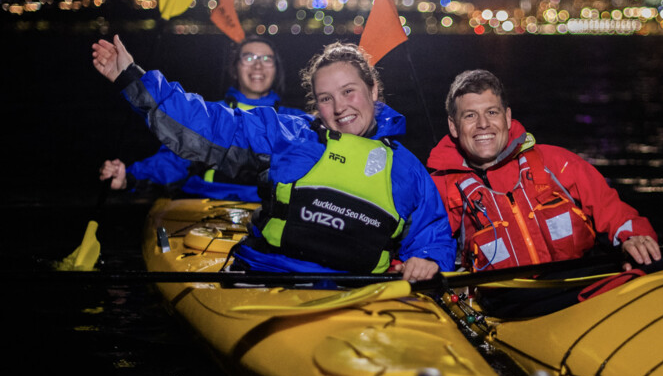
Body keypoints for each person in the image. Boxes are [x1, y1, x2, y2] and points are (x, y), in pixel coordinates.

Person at [92, 35, 454, 281]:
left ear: (373, 90)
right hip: (268, 274)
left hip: (355, 287)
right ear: (316, 105)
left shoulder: (406, 167)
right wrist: (132, 79)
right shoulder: (292, 135)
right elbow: (209, 124)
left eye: (349, 92)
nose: (340, 107)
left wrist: (429, 259)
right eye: (326, 98)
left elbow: (432, 229)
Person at [426, 69, 662, 316]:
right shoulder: (441, 188)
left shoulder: (556, 163)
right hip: (512, 308)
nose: (483, 124)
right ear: (453, 126)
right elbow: (425, 242)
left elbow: (613, 211)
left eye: (492, 112)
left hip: (582, 287)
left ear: (507, 117)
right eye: (470, 116)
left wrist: (634, 237)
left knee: (654, 264)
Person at [97, 36, 307, 202]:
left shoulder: (295, 122)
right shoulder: (211, 114)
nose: (258, 66)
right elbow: (174, 161)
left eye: (266, 59)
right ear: (234, 68)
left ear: (277, 68)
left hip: (266, 210)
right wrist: (129, 176)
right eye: (249, 57)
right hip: (207, 205)